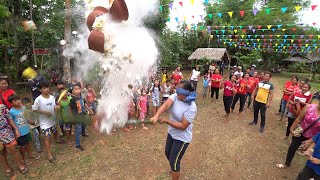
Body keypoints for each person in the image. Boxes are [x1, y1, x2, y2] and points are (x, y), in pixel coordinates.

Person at [150, 80, 197, 180]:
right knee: (167, 153)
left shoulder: (191, 107)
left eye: (179, 91)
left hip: (182, 137)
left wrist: (167, 121)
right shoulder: (175, 96)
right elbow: (166, 105)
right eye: (177, 90)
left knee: (174, 161)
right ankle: (174, 167)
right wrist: (156, 116)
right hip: (172, 132)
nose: (176, 92)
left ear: (186, 93)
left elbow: (183, 126)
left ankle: (175, 170)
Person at [276, 100, 320, 169]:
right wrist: (291, 129)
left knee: (311, 155)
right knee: (292, 148)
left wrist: (311, 141)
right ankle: (287, 164)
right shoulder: (309, 107)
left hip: (314, 139)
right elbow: (299, 119)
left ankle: (311, 173)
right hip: (301, 133)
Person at [33, 81, 62, 162]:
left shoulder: (52, 97)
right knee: (47, 137)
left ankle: (57, 140)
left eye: (47, 87)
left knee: (55, 131)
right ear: (40, 90)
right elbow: (35, 110)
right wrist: (44, 112)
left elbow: (54, 107)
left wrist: (57, 107)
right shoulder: (38, 99)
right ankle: (49, 155)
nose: (46, 89)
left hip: (53, 120)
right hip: (44, 123)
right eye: (44, 88)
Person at [8, 95, 40, 165]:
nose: (18, 101)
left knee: (28, 142)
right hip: (20, 132)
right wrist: (16, 130)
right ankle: (24, 159)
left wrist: (30, 121)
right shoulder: (11, 112)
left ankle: (30, 154)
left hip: (26, 129)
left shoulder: (24, 107)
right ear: (11, 103)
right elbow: (11, 122)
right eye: (15, 101)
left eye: (18, 99)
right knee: (22, 146)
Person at [0, 104, 28, 176]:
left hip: (5, 131)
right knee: (1, 152)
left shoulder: (2, 107)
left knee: (14, 148)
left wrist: (16, 129)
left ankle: (20, 165)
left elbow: (10, 119)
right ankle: (6, 167)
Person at [69, 84, 93, 151]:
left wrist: (89, 109)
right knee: (78, 130)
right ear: (73, 91)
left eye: (78, 89)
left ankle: (83, 133)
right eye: (75, 89)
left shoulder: (81, 97)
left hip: (83, 115)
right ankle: (77, 145)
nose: (77, 90)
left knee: (84, 124)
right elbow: (70, 108)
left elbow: (85, 104)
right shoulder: (73, 99)